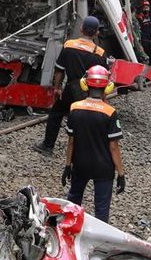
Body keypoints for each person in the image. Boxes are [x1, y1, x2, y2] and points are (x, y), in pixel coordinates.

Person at [34, 16, 108, 156]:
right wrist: (103, 99)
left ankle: (47, 146)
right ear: (97, 32)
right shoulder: (100, 53)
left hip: (71, 89)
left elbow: (59, 70)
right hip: (90, 93)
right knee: (87, 121)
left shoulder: (69, 45)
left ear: (81, 29)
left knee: (56, 114)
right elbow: (103, 78)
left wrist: (57, 88)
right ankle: (85, 152)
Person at [62, 65, 126, 224]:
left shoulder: (74, 108)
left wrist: (68, 165)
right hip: (103, 168)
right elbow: (113, 146)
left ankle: (69, 233)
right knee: (101, 209)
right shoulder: (110, 112)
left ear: (85, 84)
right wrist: (121, 173)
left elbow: (71, 141)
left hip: (80, 165)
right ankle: (100, 242)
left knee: (73, 202)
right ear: (108, 87)